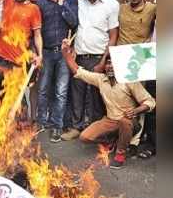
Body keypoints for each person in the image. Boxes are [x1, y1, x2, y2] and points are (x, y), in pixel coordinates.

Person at [61, 40, 155, 169]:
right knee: (84, 137)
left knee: (124, 122)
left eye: (113, 64)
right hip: (110, 120)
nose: (110, 66)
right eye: (108, 63)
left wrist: (137, 110)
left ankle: (120, 154)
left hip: (129, 122)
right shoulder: (101, 79)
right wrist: (65, 54)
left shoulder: (129, 81)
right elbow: (78, 72)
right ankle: (112, 141)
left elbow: (150, 101)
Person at [61, 0, 119, 141]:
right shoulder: (79, 2)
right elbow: (75, 27)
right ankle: (76, 126)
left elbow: (113, 35)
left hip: (98, 57)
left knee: (96, 97)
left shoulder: (111, 5)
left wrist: (103, 61)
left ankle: (96, 131)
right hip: (79, 56)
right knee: (76, 93)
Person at [36, 0, 78, 142]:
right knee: (43, 89)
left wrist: (62, 2)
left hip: (63, 54)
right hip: (45, 52)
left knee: (61, 91)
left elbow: (74, 22)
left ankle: (57, 126)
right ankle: (41, 122)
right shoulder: (40, 3)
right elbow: (36, 31)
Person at [117, 0, 156, 157]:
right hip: (120, 59)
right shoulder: (120, 8)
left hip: (141, 60)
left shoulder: (153, 10)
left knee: (140, 104)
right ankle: (119, 138)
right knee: (121, 102)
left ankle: (134, 142)